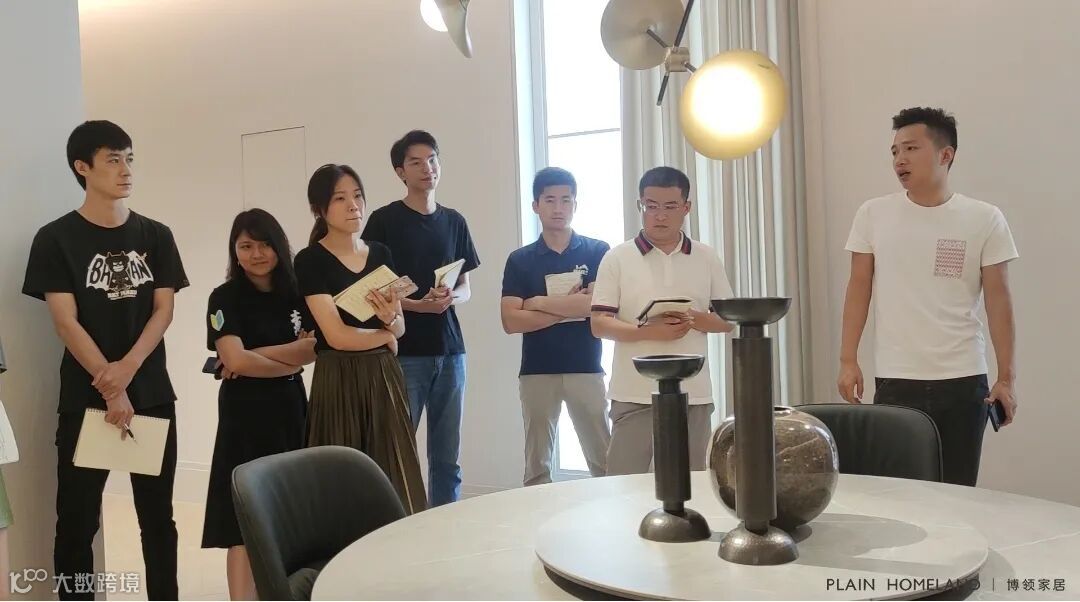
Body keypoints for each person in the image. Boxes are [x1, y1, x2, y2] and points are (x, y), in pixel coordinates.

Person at [22, 120, 187, 600]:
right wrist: (111, 386)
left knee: (158, 519)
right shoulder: (55, 239)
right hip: (86, 400)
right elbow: (65, 322)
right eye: (113, 160)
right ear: (82, 167)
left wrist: (127, 372)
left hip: (151, 396)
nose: (126, 170)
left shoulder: (157, 235)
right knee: (76, 523)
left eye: (129, 159)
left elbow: (163, 310)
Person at [838, 107, 1019, 487]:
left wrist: (1006, 378)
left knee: (957, 491)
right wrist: (848, 359)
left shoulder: (984, 218)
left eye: (910, 148)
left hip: (963, 379)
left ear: (945, 154)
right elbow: (858, 289)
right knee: (899, 493)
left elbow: (999, 302)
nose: (899, 160)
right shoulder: (873, 214)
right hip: (896, 378)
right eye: (894, 151)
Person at [294, 163, 426, 514]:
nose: (353, 205)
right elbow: (336, 336)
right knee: (341, 479)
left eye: (357, 195)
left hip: (383, 377)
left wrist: (390, 323)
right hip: (338, 378)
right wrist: (384, 337)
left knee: (394, 473)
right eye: (340, 198)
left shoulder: (381, 253)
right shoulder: (310, 260)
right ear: (320, 209)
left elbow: (399, 328)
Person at [201, 209, 316, 600]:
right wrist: (287, 357)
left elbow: (312, 350)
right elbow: (235, 360)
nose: (256, 254)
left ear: (279, 246)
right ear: (234, 251)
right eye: (246, 246)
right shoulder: (224, 297)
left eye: (264, 244)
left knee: (290, 510)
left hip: (290, 408)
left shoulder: (297, 292)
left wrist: (251, 356)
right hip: (244, 415)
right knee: (242, 517)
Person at [590, 166, 734, 475]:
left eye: (670, 207)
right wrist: (648, 331)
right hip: (633, 391)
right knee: (623, 485)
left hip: (693, 391)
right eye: (651, 206)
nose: (660, 216)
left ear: (686, 207)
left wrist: (693, 318)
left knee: (693, 485)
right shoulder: (617, 257)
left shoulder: (706, 256)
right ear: (639, 205)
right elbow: (599, 324)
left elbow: (727, 321)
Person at [362, 130, 480, 506]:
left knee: (447, 458)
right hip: (404, 352)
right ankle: (397, 525)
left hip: (451, 351)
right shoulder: (383, 221)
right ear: (400, 172)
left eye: (432, 159)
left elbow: (465, 287)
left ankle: (445, 524)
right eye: (416, 162)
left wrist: (448, 299)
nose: (427, 168)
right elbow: (373, 292)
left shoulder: (455, 221)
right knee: (398, 451)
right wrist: (417, 305)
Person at [500, 167, 611, 486]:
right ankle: (536, 517)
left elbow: (595, 307)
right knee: (537, 466)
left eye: (566, 200)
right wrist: (569, 307)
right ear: (536, 205)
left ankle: (615, 513)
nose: (558, 208)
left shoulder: (597, 251)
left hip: (585, 366)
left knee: (604, 460)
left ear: (576, 204)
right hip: (537, 370)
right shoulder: (520, 259)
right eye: (550, 200)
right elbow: (510, 321)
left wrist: (537, 303)